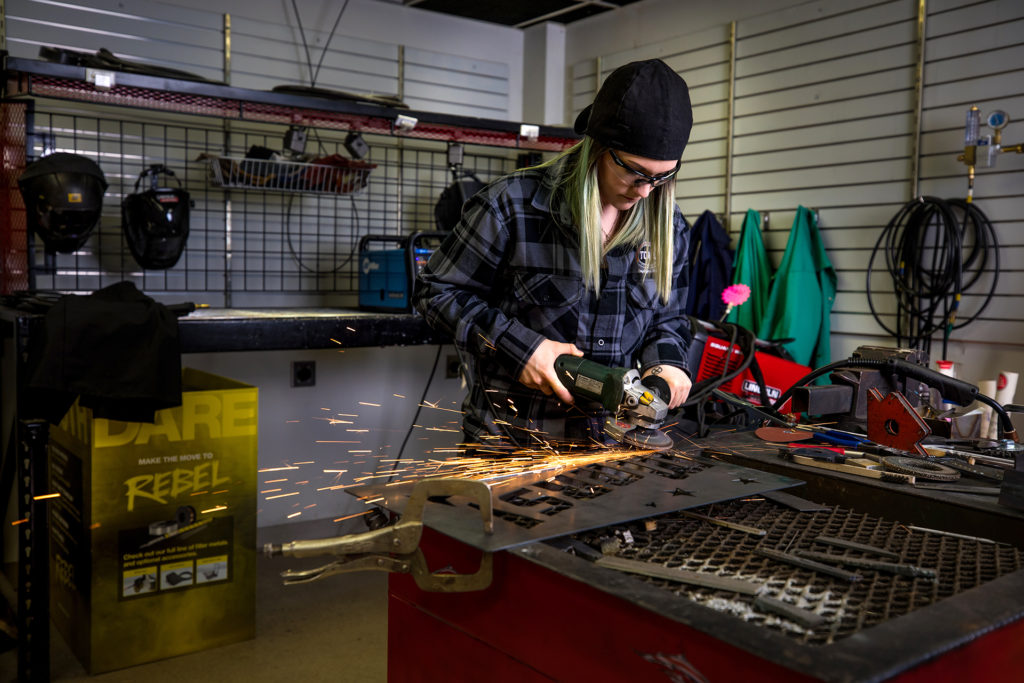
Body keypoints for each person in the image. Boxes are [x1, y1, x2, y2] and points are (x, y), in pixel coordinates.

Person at [414, 58, 695, 450]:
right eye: (635, 172)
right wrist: (519, 348)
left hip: (608, 452)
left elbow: (669, 319)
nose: (646, 192)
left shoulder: (669, 226)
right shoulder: (511, 205)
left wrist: (666, 366)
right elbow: (434, 294)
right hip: (512, 447)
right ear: (599, 146)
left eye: (662, 177)